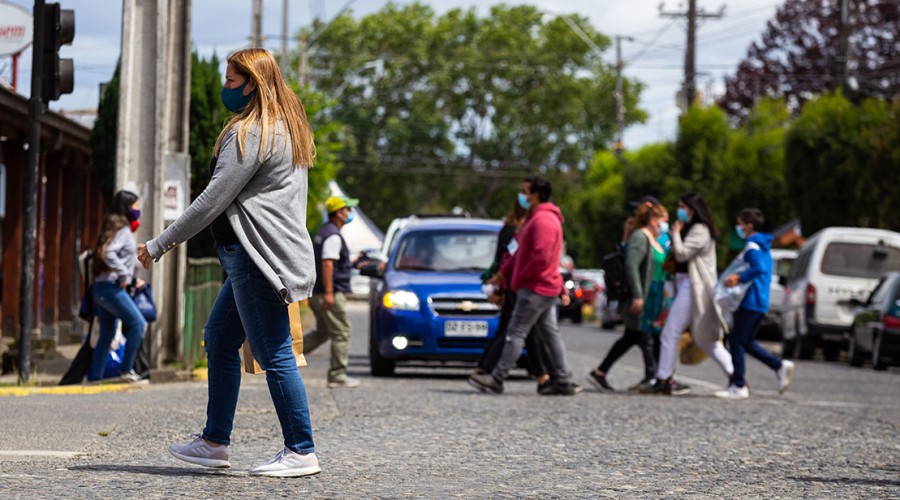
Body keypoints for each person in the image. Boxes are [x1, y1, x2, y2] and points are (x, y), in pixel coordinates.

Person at [137, 48, 321, 477]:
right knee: (219, 341)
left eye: (231, 81)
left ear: (252, 84)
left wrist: (160, 243)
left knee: (275, 354)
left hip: (258, 259)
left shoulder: (253, 133)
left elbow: (211, 201)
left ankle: (301, 449)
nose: (225, 88)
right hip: (256, 257)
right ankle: (214, 442)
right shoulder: (285, 127)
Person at [468, 176, 580, 396]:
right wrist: (502, 275)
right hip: (541, 286)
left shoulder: (543, 221)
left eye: (526, 192)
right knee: (549, 334)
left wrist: (520, 278)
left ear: (536, 195)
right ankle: (563, 379)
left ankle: (497, 378)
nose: (522, 196)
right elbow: (517, 252)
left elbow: (539, 256)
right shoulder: (536, 218)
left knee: (516, 332)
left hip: (535, 287)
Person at [649, 192, 734, 395]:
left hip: (693, 286)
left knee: (671, 332)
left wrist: (675, 233)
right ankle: (736, 376)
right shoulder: (691, 228)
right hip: (685, 285)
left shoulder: (701, 230)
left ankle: (664, 378)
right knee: (704, 339)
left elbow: (682, 253)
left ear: (693, 209)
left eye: (683, 207)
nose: (680, 210)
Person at [587, 202, 668, 392]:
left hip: (654, 296)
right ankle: (655, 377)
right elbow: (632, 266)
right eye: (663, 220)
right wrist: (638, 295)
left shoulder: (654, 238)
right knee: (645, 336)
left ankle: (601, 372)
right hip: (641, 297)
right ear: (653, 220)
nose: (665, 224)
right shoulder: (640, 237)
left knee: (634, 336)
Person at [716, 208, 795, 399]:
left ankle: (739, 385)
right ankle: (779, 366)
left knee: (735, 341)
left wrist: (738, 277)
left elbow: (757, 268)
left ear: (749, 226)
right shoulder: (764, 244)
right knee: (747, 342)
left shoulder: (752, 244)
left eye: (740, 224)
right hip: (760, 300)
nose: (739, 228)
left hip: (749, 300)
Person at [475, 200, 552, 386]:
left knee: (526, 332)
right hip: (516, 287)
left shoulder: (517, 229)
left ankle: (545, 376)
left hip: (516, 286)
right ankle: (489, 372)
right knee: (518, 331)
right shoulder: (514, 232)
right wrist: (501, 287)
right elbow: (507, 261)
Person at [87, 190, 147, 383]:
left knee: (107, 333)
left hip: (102, 288)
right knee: (138, 323)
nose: (138, 210)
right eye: (136, 206)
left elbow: (114, 253)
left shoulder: (114, 227)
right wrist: (123, 273)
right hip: (111, 287)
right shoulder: (123, 230)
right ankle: (126, 369)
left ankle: (95, 377)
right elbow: (108, 253)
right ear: (127, 208)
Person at [303, 195, 361, 389]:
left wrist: (352, 264)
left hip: (318, 292)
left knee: (323, 332)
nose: (350, 213)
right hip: (329, 293)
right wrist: (329, 293)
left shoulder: (324, 232)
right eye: (347, 209)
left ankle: (283, 356)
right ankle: (337, 376)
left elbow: (330, 263)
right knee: (342, 332)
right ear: (338, 213)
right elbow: (327, 264)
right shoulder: (333, 236)